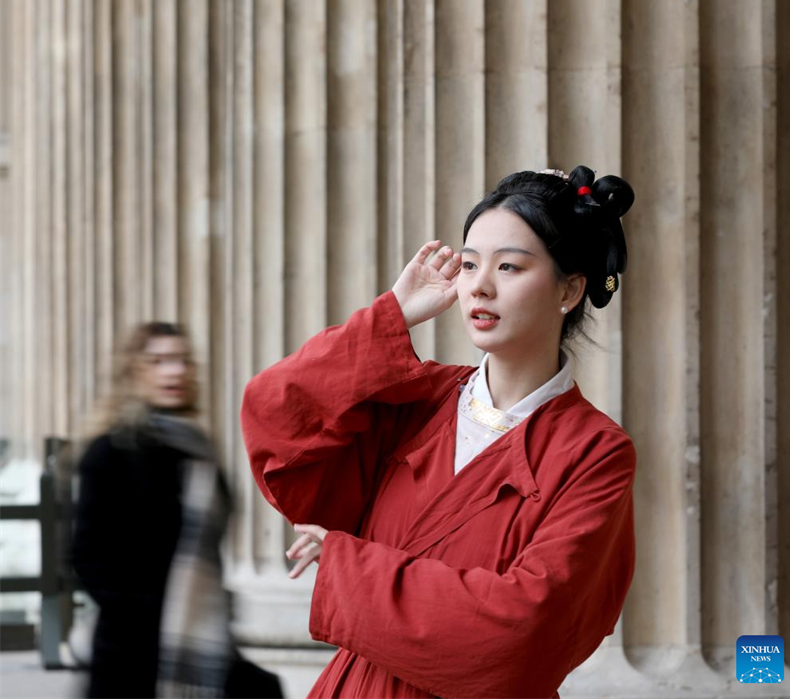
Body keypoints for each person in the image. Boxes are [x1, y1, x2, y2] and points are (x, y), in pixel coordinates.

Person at [241, 166, 636, 699]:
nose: (481, 285)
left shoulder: (595, 452)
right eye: (470, 264)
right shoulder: (418, 400)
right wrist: (392, 317)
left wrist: (349, 563)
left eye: (510, 267)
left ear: (569, 289)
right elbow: (275, 414)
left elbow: (523, 633)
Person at [72, 322, 283, 699]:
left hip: (198, 631)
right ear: (134, 372)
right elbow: (86, 556)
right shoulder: (110, 452)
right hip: (130, 647)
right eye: (160, 361)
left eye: (183, 360)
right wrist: (138, 612)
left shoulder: (198, 451)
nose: (175, 371)